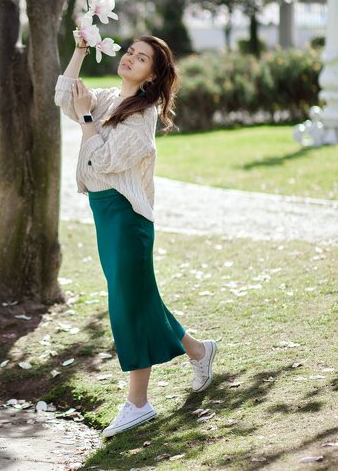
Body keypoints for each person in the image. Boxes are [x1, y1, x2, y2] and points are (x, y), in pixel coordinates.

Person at [54, 35, 217, 438]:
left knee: (126, 303)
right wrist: (79, 51)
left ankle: (138, 403)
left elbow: (105, 160)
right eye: (129, 51)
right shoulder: (108, 97)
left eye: (141, 58)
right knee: (139, 298)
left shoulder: (141, 117)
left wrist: (86, 119)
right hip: (104, 213)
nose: (129, 57)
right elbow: (64, 98)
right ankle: (199, 350)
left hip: (127, 217)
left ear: (152, 75)